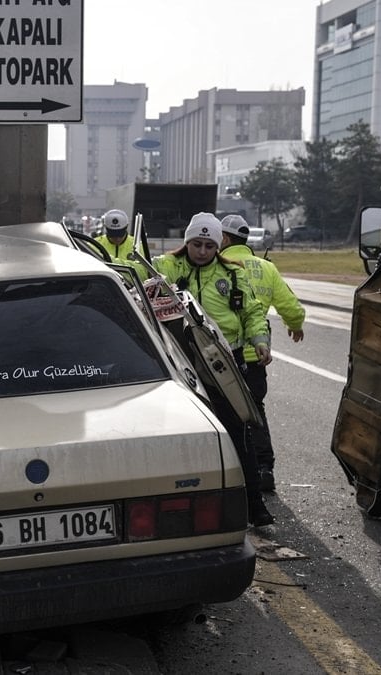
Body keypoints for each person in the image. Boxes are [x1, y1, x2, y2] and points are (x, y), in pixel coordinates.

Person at [153, 212, 275, 526]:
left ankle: (254, 505)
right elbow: (143, 272)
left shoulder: (232, 274)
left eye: (209, 245)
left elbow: (252, 311)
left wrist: (260, 340)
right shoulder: (168, 265)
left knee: (240, 433)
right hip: (180, 364)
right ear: (187, 242)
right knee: (185, 436)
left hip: (223, 364)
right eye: (197, 244)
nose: (203, 251)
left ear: (218, 244)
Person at [219, 214, 306, 492]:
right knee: (255, 411)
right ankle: (264, 469)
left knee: (220, 413)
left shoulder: (216, 265)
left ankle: (229, 472)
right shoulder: (266, 268)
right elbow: (289, 304)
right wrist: (296, 325)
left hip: (221, 357)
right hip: (256, 356)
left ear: (224, 238)